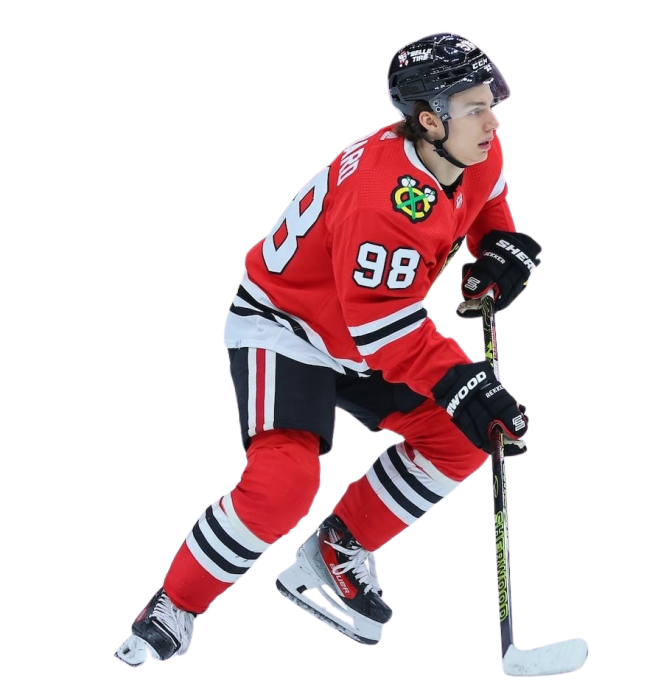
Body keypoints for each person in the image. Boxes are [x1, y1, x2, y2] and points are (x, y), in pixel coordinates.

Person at [114, 31, 542, 666]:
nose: (493, 120)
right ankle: (172, 605)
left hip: (367, 332)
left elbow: (486, 200)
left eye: (490, 100)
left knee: (463, 437)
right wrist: (461, 380)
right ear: (429, 120)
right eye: (475, 107)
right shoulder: (384, 198)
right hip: (289, 325)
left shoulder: (473, 149)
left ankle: (333, 554)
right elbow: (382, 325)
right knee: (283, 486)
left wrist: (497, 248)